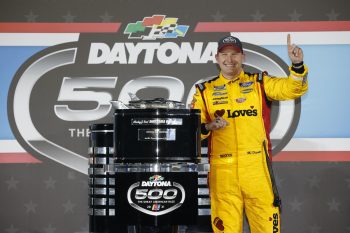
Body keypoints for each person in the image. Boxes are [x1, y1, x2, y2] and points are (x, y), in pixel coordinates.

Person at [191, 34, 308, 233]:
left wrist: (297, 66)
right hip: (222, 173)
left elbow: (291, 89)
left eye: (235, 54)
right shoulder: (204, 91)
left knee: (266, 229)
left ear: (243, 57)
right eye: (224, 54)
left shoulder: (259, 82)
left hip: (257, 171)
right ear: (216, 58)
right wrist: (208, 127)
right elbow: (192, 130)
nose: (230, 59)